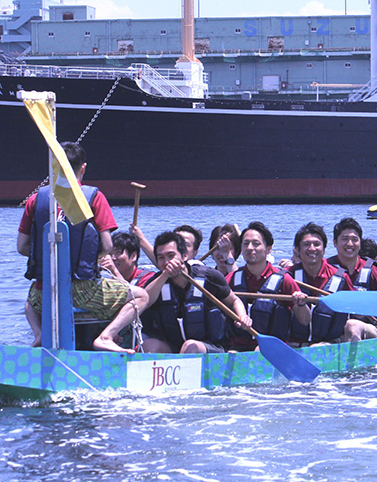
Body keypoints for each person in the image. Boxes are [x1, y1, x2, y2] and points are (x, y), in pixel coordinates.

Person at [17, 142, 149, 348]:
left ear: (53, 166)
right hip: (82, 291)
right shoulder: (94, 197)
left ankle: (40, 335)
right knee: (141, 296)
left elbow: (22, 247)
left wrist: (52, 256)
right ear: (83, 167)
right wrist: (86, 257)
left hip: (43, 292)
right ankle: (106, 337)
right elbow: (107, 245)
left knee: (29, 303)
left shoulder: (35, 200)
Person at [99, 231, 250, 354]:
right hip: (173, 347)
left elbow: (234, 300)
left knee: (190, 346)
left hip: (209, 347)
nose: (166, 262)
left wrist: (242, 316)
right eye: (161, 258)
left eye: (171, 256)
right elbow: (144, 302)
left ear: (185, 256)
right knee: (148, 346)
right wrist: (165, 275)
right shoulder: (157, 281)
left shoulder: (210, 277)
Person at [226, 221, 309, 351]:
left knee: (259, 350)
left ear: (269, 249)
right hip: (238, 348)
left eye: (256, 243)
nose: (250, 248)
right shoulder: (231, 279)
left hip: (273, 348)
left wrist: (301, 304)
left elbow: (305, 320)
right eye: (245, 244)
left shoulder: (284, 280)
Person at [288, 222, 355, 344]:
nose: (312, 249)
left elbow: (356, 310)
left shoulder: (341, 278)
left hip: (331, 343)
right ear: (297, 249)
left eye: (317, 244)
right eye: (306, 244)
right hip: (294, 343)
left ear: (324, 250)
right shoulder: (288, 276)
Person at [327, 218, 377, 342]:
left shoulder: (375, 273)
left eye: (354, 240)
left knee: (352, 326)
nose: (350, 244)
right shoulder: (326, 269)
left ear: (360, 243)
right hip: (334, 334)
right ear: (334, 243)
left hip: (369, 331)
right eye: (345, 239)